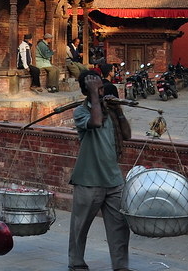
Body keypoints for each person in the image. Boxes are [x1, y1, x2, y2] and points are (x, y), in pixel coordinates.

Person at [68, 70, 132, 271]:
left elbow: (128, 135)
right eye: (98, 88)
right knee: (80, 226)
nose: (102, 90)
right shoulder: (82, 112)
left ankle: (121, 266)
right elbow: (95, 122)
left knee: (120, 227)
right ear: (88, 91)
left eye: (102, 87)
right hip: (88, 180)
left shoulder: (111, 111)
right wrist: (94, 94)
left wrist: (119, 110)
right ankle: (76, 262)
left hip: (113, 179)